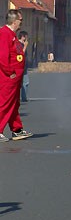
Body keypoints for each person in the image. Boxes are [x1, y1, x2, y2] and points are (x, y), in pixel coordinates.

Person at [0, 10, 33, 143]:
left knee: (14, 103)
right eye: (21, 20)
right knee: (5, 103)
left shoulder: (12, 35)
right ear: (14, 21)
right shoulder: (4, 34)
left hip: (15, 77)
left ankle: (16, 129)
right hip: (8, 77)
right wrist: (10, 72)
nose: (22, 22)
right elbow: (2, 56)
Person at [18, 31, 30, 102]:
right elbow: (20, 55)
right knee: (22, 83)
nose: (27, 38)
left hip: (24, 67)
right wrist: (25, 46)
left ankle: (24, 97)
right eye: (26, 37)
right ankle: (22, 97)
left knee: (25, 82)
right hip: (19, 67)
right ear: (23, 37)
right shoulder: (18, 44)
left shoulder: (22, 44)